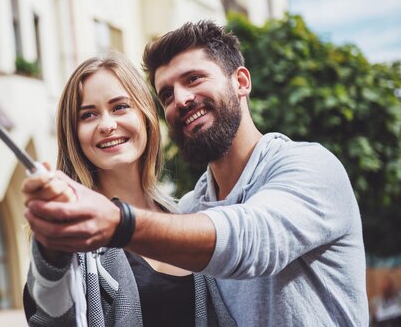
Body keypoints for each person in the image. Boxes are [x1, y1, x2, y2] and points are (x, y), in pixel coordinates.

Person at [24, 21, 369, 326]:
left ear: (241, 81)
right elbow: (48, 314)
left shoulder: (308, 167)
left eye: (194, 79)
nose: (183, 99)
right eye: (167, 94)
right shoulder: (193, 208)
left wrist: (119, 223)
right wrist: (51, 243)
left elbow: (252, 241)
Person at [22, 53, 235, 326]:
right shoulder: (75, 234)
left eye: (120, 107)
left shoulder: (186, 215)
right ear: (72, 134)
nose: (107, 125)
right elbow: (50, 316)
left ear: (145, 115)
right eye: (88, 115)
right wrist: (52, 242)